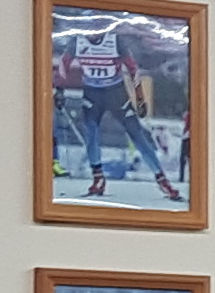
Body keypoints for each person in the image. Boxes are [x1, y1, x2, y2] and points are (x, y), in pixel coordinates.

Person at [64, 16, 180, 201]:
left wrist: (140, 97)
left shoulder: (115, 41)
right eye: (90, 27)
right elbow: (64, 66)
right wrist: (58, 90)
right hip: (92, 93)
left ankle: (162, 179)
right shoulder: (77, 42)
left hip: (115, 93)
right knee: (91, 132)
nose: (93, 32)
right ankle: (98, 178)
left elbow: (132, 69)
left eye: (97, 27)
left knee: (136, 134)